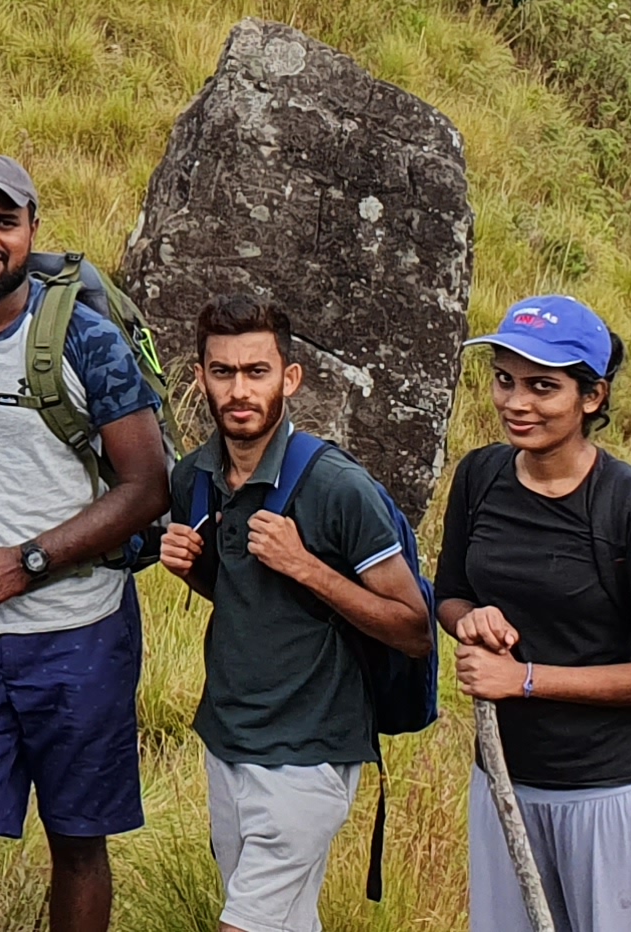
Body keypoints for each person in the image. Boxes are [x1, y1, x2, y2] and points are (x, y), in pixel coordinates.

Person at [0, 156, 172, 932]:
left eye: (3, 223)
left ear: (31, 231)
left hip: (80, 635)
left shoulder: (85, 341)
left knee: (78, 841)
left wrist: (29, 562)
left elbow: (148, 485)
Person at [155, 294, 434, 932]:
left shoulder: (338, 487)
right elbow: (248, 597)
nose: (239, 389)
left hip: (307, 754)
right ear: (200, 379)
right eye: (223, 372)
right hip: (227, 739)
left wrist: (306, 564)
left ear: (290, 377)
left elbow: (414, 627)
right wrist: (194, 565)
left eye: (257, 371)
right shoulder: (194, 477)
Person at [435, 295, 631, 932]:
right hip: (506, 788)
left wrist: (524, 680)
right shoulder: (481, 476)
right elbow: (447, 592)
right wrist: (471, 619)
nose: (516, 403)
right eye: (505, 380)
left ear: (592, 396)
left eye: (542, 386)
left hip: (614, 798)